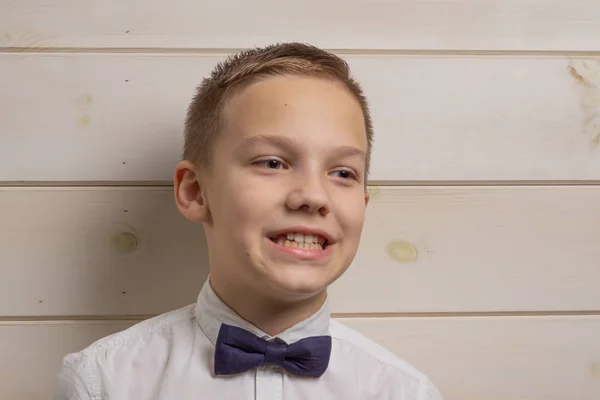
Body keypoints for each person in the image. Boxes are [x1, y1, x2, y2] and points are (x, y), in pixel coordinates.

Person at [52, 42, 443, 399]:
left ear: (363, 201)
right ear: (195, 191)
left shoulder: (406, 392)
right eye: (272, 163)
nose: (313, 196)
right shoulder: (103, 381)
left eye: (342, 172)